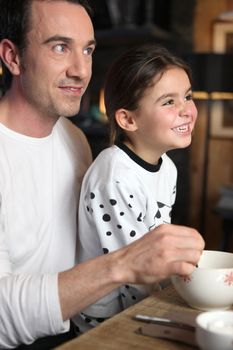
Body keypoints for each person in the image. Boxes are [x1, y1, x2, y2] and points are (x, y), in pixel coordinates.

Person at [0, 1, 204, 349]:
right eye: (60, 47)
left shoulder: (74, 140)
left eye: (89, 49)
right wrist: (125, 264)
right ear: (12, 56)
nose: (82, 70)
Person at [75, 44, 198, 331]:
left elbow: (155, 245)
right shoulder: (114, 177)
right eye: (169, 102)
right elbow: (133, 272)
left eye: (188, 96)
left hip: (146, 297)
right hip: (107, 319)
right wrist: (171, 311)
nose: (187, 111)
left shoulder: (167, 167)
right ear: (128, 119)